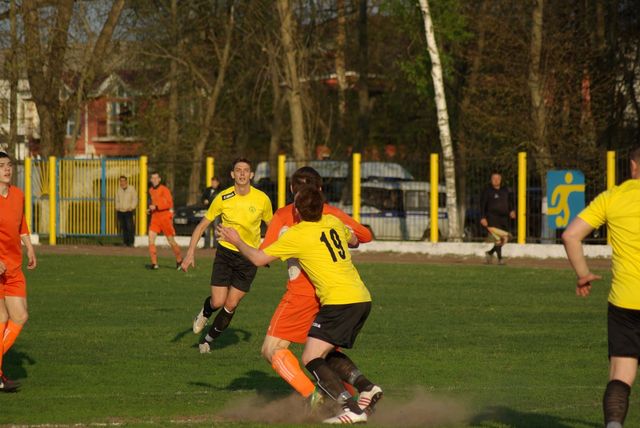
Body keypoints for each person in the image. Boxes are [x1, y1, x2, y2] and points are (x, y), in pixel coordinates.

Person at [219, 186, 382, 424]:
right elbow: (355, 240)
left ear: (296, 210)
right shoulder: (332, 221)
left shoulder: (297, 234)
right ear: (322, 206)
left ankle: (351, 408)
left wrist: (237, 240)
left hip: (339, 301)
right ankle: (367, 388)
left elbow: (259, 258)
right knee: (324, 353)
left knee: (310, 357)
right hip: (361, 297)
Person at [259, 167, 373, 405]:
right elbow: (364, 236)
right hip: (333, 292)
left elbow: (263, 256)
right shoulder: (330, 213)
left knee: (272, 348)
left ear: (292, 190)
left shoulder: (284, 214)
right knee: (325, 352)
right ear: (320, 190)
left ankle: (314, 396)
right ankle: (354, 397)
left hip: (302, 293)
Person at [562, 145, 640, 428]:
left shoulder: (612, 197)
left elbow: (570, 235)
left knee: (621, 374)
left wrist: (583, 274)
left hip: (624, 303)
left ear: (633, 165)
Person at [182, 158, 272, 354]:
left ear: (252, 175)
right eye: (238, 170)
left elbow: (272, 227)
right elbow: (202, 225)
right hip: (225, 253)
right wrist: (189, 253)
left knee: (230, 305)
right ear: (232, 174)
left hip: (248, 257)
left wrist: (265, 252)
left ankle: (207, 341)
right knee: (218, 301)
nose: (242, 173)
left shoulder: (262, 199)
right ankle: (205, 312)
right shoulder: (223, 197)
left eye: (246, 170)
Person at [0, 151, 37, 392]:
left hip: (13, 266)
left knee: (20, 316)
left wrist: (29, 247)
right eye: (1, 165)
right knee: (1, 318)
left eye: (9, 165)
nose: (7, 169)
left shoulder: (17, 194)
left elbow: (21, 223)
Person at [147, 171, 183, 270]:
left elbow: (169, 204)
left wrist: (157, 207)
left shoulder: (164, 190)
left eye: (156, 178)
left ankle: (179, 260)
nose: (154, 180)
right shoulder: (150, 190)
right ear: (151, 180)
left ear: (159, 179)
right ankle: (154, 263)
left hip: (165, 218)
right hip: (155, 218)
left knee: (171, 241)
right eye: (152, 178)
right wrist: (150, 209)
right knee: (150, 239)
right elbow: (153, 204)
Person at [480, 171, 516, 265]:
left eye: (498, 178)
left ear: (501, 179)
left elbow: (510, 202)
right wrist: (483, 217)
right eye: (494, 179)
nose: (496, 180)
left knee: (506, 238)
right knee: (499, 239)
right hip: (492, 219)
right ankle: (500, 259)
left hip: (504, 219)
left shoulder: (505, 190)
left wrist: (512, 210)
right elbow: (482, 205)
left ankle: (490, 253)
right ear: (491, 180)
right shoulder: (487, 191)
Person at [115, 175, 137, 247]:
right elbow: (117, 200)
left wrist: (132, 207)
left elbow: (135, 199)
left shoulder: (131, 189)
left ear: (126, 181)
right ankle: (125, 242)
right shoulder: (118, 190)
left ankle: (131, 242)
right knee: (123, 227)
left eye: (123, 181)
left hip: (128, 211)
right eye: (121, 181)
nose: (122, 182)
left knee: (130, 227)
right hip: (121, 211)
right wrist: (117, 207)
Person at [200, 176, 220, 248]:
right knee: (206, 228)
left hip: (216, 212)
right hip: (208, 211)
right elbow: (202, 198)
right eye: (212, 182)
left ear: (217, 183)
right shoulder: (207, 190)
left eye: (214, 182)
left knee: (216, 229)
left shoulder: (220, 191)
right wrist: (204, 201)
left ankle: (216, 245)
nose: (213, 184)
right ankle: (206, 245)